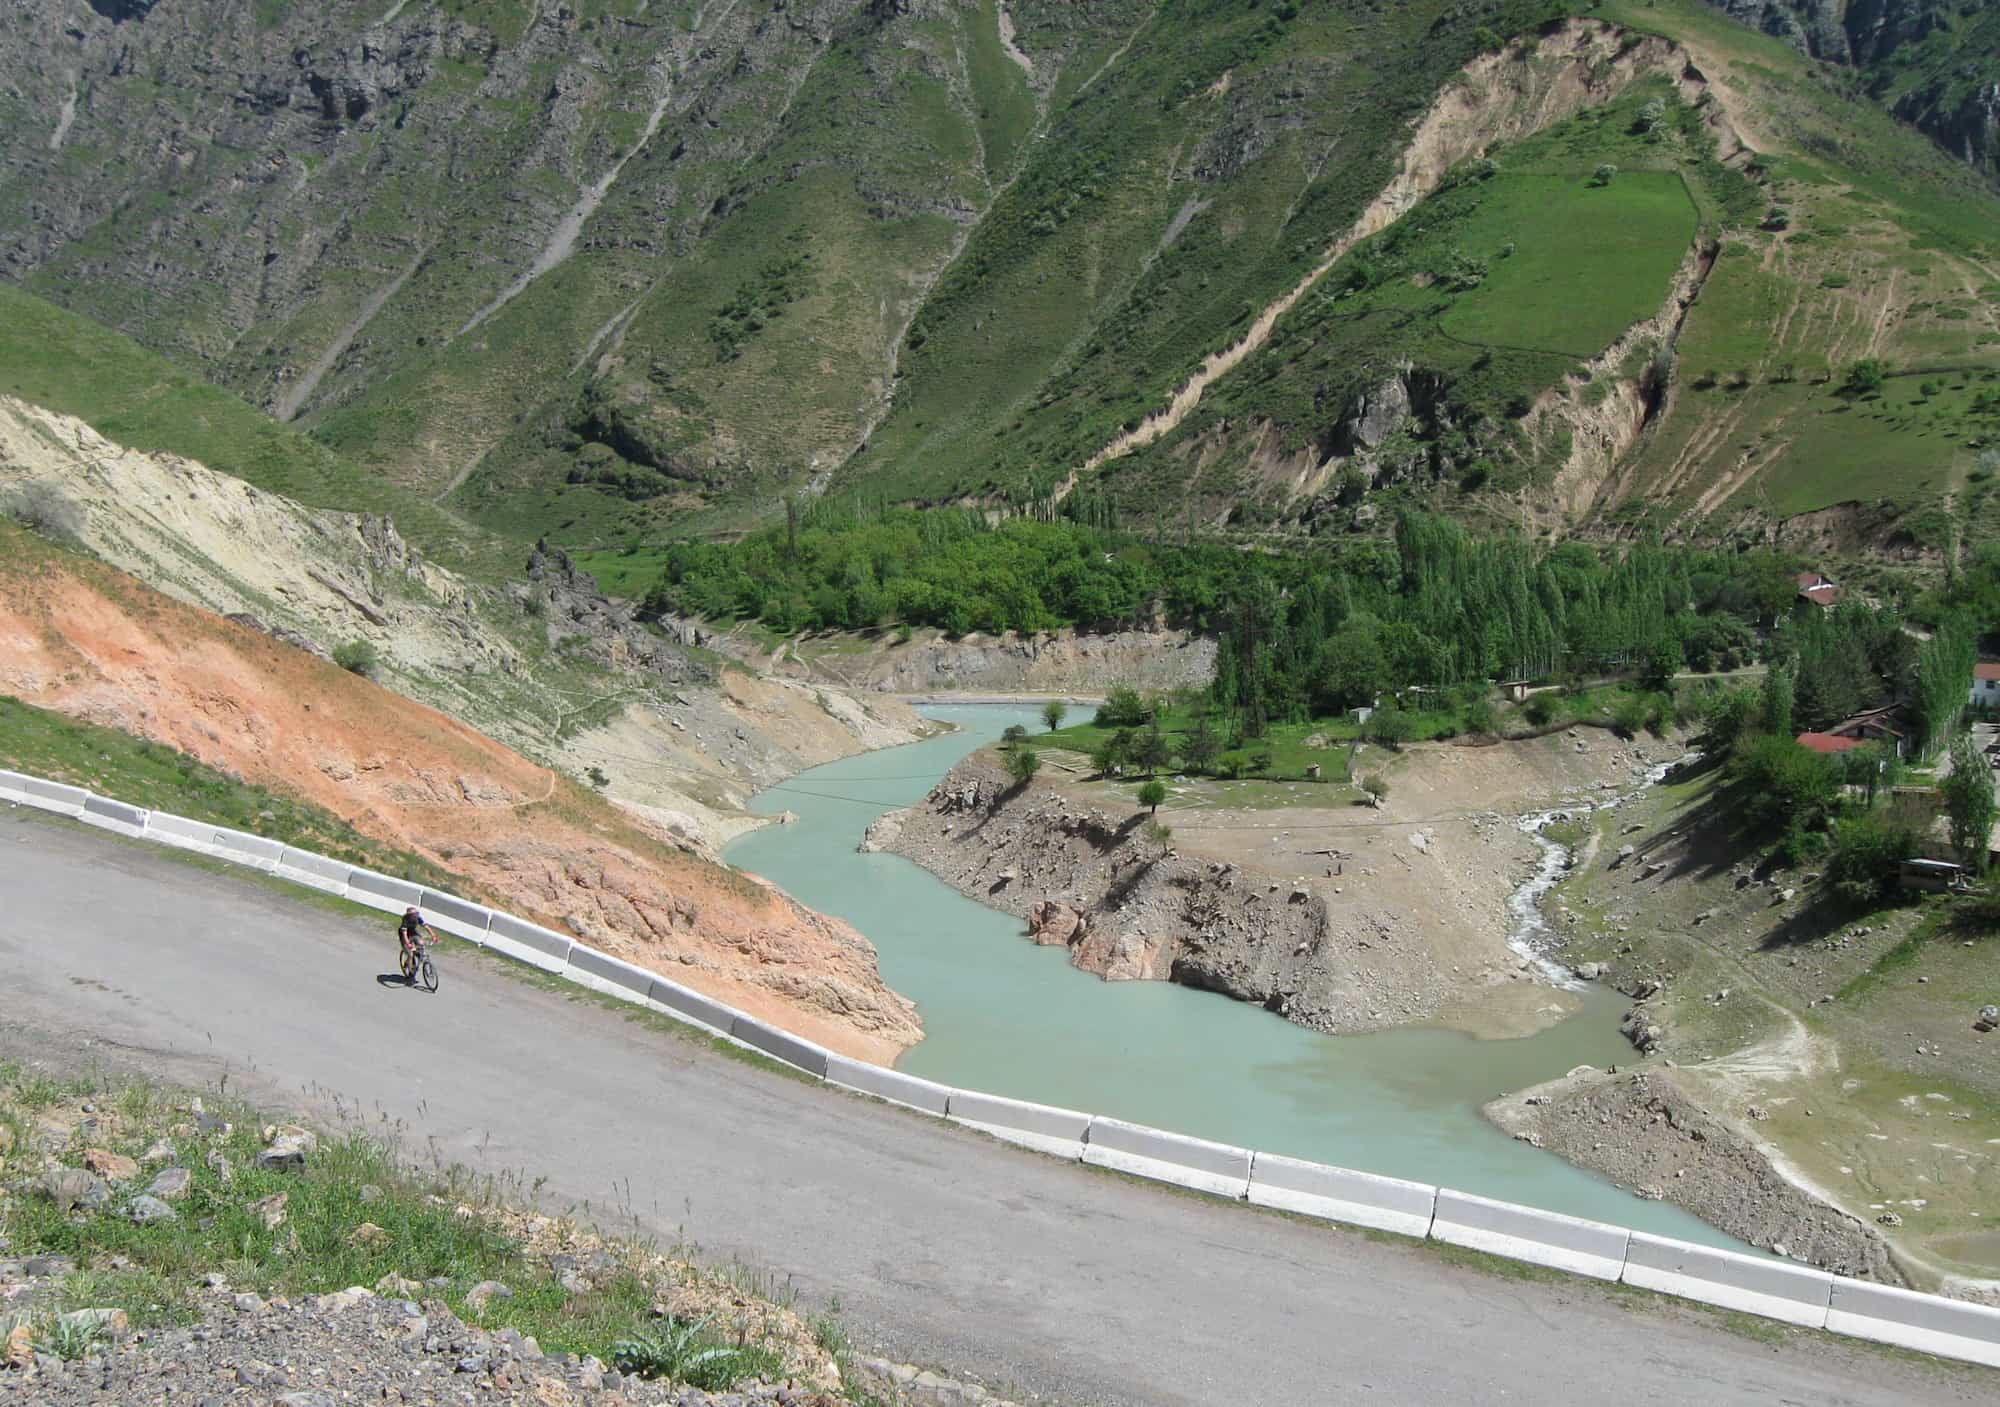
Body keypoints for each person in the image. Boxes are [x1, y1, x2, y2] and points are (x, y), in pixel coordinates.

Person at [397, 905, 436, 979]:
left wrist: (433, 935)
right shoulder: (405, 920)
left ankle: (417, 953)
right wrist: (408, 944)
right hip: (404, 936)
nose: (416, 916)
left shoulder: (418, 918)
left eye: (417, 914)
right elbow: (404, 934)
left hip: (413, 933)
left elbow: (426, 927)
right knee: (410, 955)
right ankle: (409, 967)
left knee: (421, 943)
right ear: (410, 916)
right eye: (414, 915)